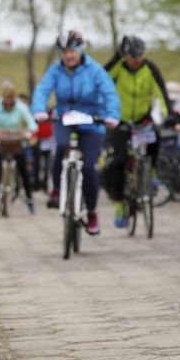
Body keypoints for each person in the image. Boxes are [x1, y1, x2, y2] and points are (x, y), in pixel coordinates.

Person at [31, 30, 120, 234]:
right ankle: (56, 190)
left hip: (92, 121)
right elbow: (43, 90)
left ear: (80, 50)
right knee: (61, 146)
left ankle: (91, 212)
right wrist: (38, 110)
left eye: (72, 51)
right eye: (64, 52)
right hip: (64, 118)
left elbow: (109, 93)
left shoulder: (95, 70)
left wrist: (112, 115)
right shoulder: (55, 70)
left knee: (89, 167)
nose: (68, 56)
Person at [102, 35, 173, 228]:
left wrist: (170, 114)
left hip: (143, 118)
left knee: (154, 141)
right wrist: (117, 56)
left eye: (140, 55)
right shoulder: (119, 67)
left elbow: (161, 91)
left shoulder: (149, 67)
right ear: (126, 56)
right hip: (121, 121)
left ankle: (152, 174)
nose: (136, 59)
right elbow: (102, 75)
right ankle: (119, 206)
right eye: (132, 55)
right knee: (118, 162)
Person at [0, 84, 38, 213]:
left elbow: (32, 124)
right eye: (6, 97)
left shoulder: (21, 108)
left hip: (17, 143)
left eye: (11, 97)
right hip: (2, 142)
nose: (8, 100)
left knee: (23, 169)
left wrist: (27, 132)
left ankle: (29, 198)